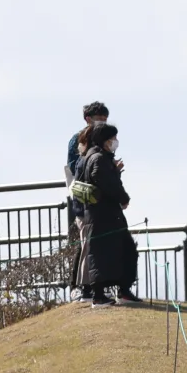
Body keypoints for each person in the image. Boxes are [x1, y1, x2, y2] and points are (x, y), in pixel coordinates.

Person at [68, 112, 137, 305]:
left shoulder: (92, 156)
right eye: (113, 138)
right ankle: (102, 295)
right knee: (112, 252)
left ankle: (114, 292)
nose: (115, 141)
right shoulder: (98, 158)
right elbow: (105, 181)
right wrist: (123, 197)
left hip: (99, 214)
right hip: (104, 214)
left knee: (108, 252)